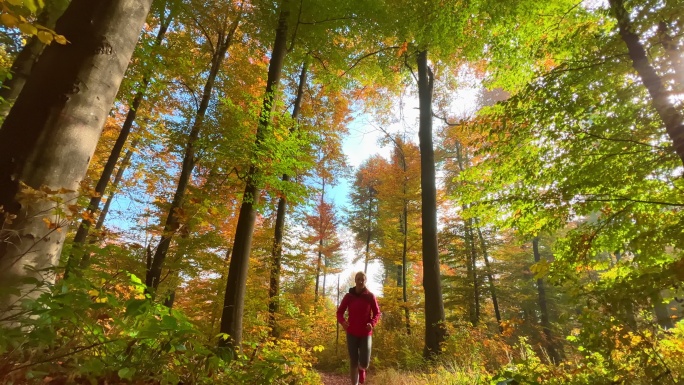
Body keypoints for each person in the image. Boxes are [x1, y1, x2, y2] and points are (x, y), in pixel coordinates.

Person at [336, 271, 381, 385]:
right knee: (353, 362)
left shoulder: (370, 296)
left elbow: (377, 313)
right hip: (351, 332)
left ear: (365, 281)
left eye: (363, 279)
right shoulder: (348, 296)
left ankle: (362, 369)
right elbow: (339, 312)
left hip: (366, 333)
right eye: (358, 279)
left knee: (364, 363)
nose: (360, 281)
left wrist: (372, 323)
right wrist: (343, 322)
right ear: (355, 281)